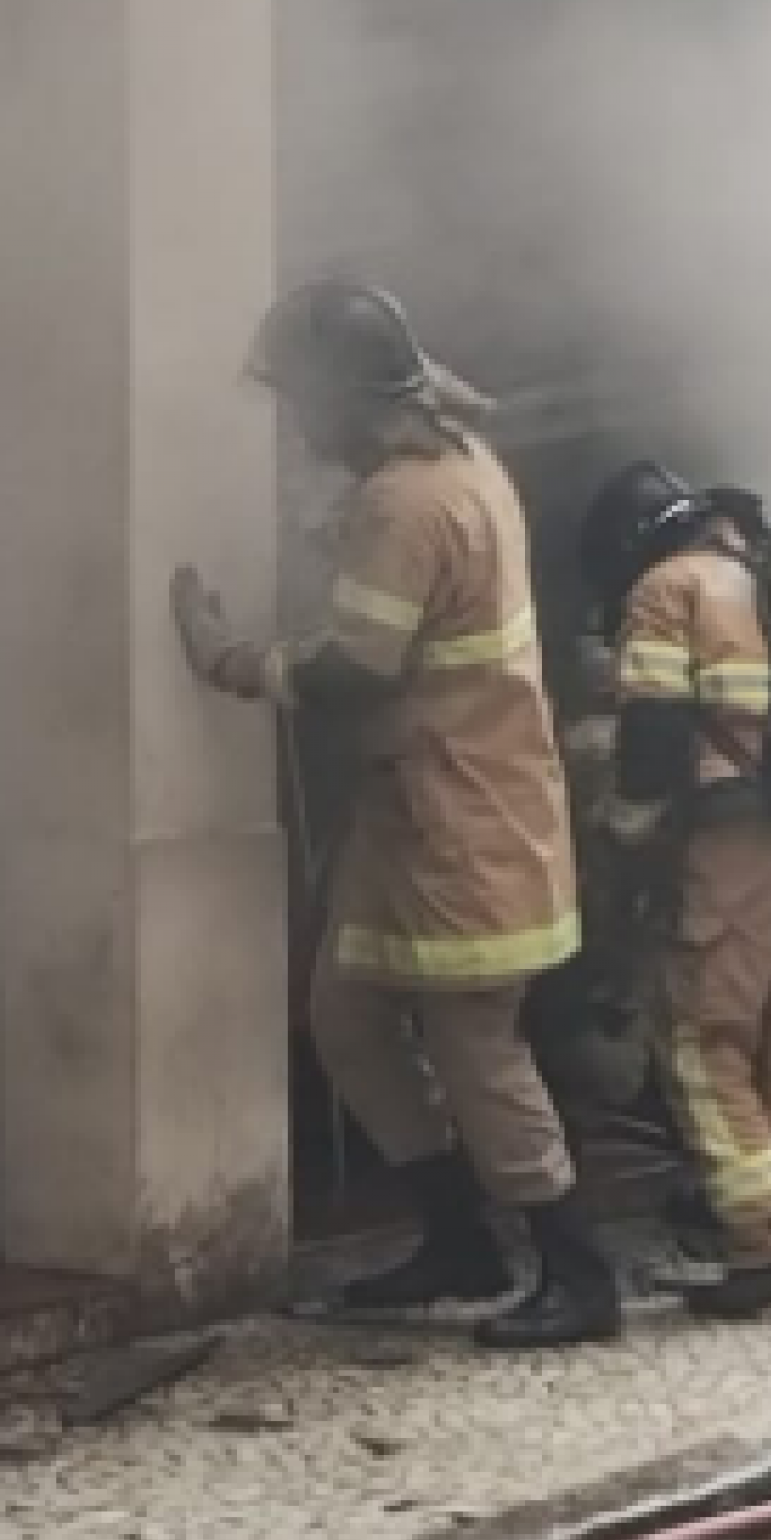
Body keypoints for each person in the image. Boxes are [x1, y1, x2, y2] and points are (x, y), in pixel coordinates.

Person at [172, 277, 620, 1347]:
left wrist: (231, 660)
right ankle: (457, 1242)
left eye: (299, 401)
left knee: (476, 1046)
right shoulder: (456, 463)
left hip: (460, 817)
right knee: (348, 1016)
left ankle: (578, 1273)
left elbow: (362, 668)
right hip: (426, 812)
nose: (295, 422)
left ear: (340, 397)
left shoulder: (405, 503)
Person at [582, 460, 771, 1320]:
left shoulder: (666, 588)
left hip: (740, 843)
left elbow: (652, 738)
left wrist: (622, 832)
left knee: (703, 1044)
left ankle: (770, 1239)